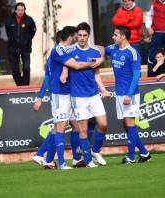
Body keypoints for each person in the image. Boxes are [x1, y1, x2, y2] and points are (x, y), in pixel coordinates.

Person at [48, 26, 101, 169]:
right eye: (77, 36)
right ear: (71, 37)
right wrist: (94, 63)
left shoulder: (66, 50)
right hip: (59, 93)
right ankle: (61, 163)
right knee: (60, 126)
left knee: (76, 126)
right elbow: (76, 66)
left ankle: (76, 159)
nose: (79, 38)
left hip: (68, 93)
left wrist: (99, 58)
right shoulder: (59, 50)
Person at [61, 22, 110, 167]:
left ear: (89, 36)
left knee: (103, 124)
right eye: (80, 35)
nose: (82, 38)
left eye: (84, 35)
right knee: (82, 127)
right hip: (78, 96)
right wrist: (64, 72)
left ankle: (95, 150)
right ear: (77, 35)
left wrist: (103, 90)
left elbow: (96, 75)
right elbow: (66, 64)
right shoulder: (70, 50)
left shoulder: (95, 53)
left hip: (93, 94)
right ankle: (88, 160)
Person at [104, 26, 151, 164]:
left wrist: (129, 94)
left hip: (130, 94)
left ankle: (130, 157)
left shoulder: (133, 53)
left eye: (115, 34)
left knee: (129, 122)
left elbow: (137, 75)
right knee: (125, 123)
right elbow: (100, 50)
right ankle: (144, 152)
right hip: (119, 93)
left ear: (123, 36)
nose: (113, 37)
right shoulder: (113, 49)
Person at [5, 2, 36, 86]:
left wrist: (26, 40)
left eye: (22, 10)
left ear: (24, 10)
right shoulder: (9, 20)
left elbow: (32, 32)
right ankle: (20, 86)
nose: (20, 12)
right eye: (19, 10)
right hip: (12, 48)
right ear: (15, 10)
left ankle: (25, 87)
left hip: (25, 48)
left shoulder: (29, 20)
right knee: (15, 70)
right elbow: (8, 32)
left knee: (26, 68)